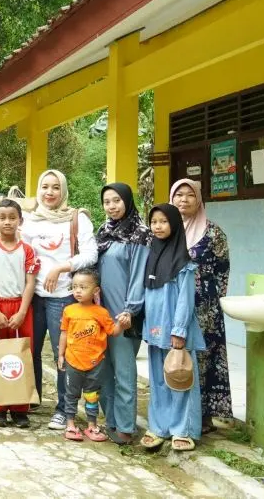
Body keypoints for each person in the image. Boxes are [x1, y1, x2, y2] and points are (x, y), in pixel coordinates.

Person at [20, 169, 98, 431]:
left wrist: (61, 267)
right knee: (29, 351)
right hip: (33, 296)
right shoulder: (30, 220)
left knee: (62, 353)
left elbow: (90, 254)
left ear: (63, 190)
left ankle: (64, 410)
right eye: (44, 187)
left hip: (64, 296)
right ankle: (30, 399)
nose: (49, 192)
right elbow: (19, 250)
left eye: (55, 187)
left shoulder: (76, 219)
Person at [140, 204, 204, 452]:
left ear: (175, 224)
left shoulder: (183, 262)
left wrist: (179, 330)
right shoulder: (150, 256)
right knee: (158, 380)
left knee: (180, 377)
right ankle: (159, 427)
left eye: (164, 221)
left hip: (176, 330)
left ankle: (182, 430)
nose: (157, 226)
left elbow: (185, 301)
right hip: (155, 328)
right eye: (154, 221)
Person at [170, 179, 232, 434]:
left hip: (204, 307)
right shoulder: (166, 229)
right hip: (172, 303)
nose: (183, 200)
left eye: (189, 196)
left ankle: (204, 416)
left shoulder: (213, 232)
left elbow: (223, 270)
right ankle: (177, 412)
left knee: (205, 358)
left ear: (199, 200)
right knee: (176, 357)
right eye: (179, 195)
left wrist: (213, 301)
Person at [96, 183, 150, 444]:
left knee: (125, 372)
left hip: (125, 315)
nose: (112, 206)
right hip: (101, 314)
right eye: (107, 201)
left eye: (117, 200)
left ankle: (127, 427)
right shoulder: (104, 232)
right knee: (104, 371)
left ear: (127, 201)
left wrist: (130, 310)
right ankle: (112, 421)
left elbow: (139, 276)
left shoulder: (141, 234)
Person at [0, 199, 37, 428]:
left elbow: (30, 283)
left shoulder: (28, 250)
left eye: (12, 217)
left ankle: (20, 408)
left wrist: (23, 311)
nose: (7, 222)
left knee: (22, 356)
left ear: (20, 220)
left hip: (20, 307)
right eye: (2, 217)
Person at [58, 269, 126, 442]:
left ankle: (91, 425)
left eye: (83, 287)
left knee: (92, 395)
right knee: (71, 394)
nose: (78, 291)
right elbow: (64, 333)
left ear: (96, 291)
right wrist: (60, 355)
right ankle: (70, 424)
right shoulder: (69, 310)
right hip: (73, 360)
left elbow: (113, 331)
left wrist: (123, 325)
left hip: (95, 362)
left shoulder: (101, 313)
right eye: (74, 287)